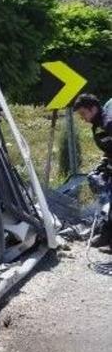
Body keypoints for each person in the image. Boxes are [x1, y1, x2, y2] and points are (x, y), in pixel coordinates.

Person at [73, 93, 112, 247]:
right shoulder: (99, 124)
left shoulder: (108, 122)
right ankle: (106, 237)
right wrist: (103, 164)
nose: (83, 118)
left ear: (93, 108)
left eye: (83, 113)